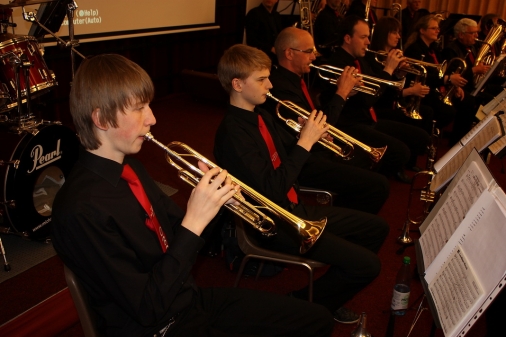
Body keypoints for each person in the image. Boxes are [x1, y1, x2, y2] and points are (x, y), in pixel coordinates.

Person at [51, 54, 334, 337]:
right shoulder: (80, 210)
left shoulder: (130, 169)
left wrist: (220, 204)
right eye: (139, 108)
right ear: (101, 119)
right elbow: (148, 306)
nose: (152, 118)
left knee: (315, 319)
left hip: (186, 299)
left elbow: (181, 237)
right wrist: (194, 221)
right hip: (159, 326)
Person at [214, 43, 389, 324]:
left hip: (293, 208)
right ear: (237, 84)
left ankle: (322, 298)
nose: (270, 84)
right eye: (261, 79)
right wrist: (305, 142)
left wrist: (311, 137)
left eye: (268, 76)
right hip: (273, 223)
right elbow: (271, 189)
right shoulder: (233, 135)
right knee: (368, 266)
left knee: (377, 228)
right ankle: (303, 305)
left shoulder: (261, 115)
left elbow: (291, 156)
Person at [264, 26, 390, 215]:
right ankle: (349, 222)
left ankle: (346, 211)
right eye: (308, 51)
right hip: (305, 161)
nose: (314, 57)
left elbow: (316, 120)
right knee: (378, 186)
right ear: (289, 54)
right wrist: (342, 93)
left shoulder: (297, 79)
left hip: (319, 149)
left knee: (373, 162)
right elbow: (315, 128)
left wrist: (346, 94)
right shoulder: (281, 88)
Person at [320, 15, 428, 182]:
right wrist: (389, 69)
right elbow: (369, 99)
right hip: (350, 125)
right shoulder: (338, 64)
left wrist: (396, 74)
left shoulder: (360, 60)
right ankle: (371, 178)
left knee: (420, 137)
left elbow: (380, 92)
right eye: (363, 37)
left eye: (369, 37)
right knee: (401, 152)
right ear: (348, 38)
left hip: (368, 119)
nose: (368, 42)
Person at [367, 16, 432, 170]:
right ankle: (403, 164)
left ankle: (410, 162)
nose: (398, 36)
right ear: (384, 34)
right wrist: (409, 91)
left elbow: (392, 89)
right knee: (417, 120)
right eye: (394, 32)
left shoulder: (391, 56)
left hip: (391, 103)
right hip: (379, 109)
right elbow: (380, 95)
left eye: (399, 32)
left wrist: (400, 74)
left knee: (426, 113)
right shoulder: (374, 58)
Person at [404, 15, 476, 146]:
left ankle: (458, 142)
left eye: (438, 28)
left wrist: (454, 86)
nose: (438, 31)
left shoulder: (433, 49)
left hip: (435, 87)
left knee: (468, 101)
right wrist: (448, 80)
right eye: (433, 28)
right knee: (448, 111)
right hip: (422, 91)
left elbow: (443, 72)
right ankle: (430, 137)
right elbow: (425, 77)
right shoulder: (415, 49)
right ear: (422, 30)